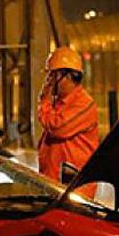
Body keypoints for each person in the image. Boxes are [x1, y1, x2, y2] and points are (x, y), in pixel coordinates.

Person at [37, 46, 99, 182]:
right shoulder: (59, 102)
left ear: (67, 76)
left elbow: (57, 128)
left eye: (53, 75)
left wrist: (44, 103)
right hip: (55, 182)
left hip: (73, 186)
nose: (48, 81)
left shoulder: (83, 104)